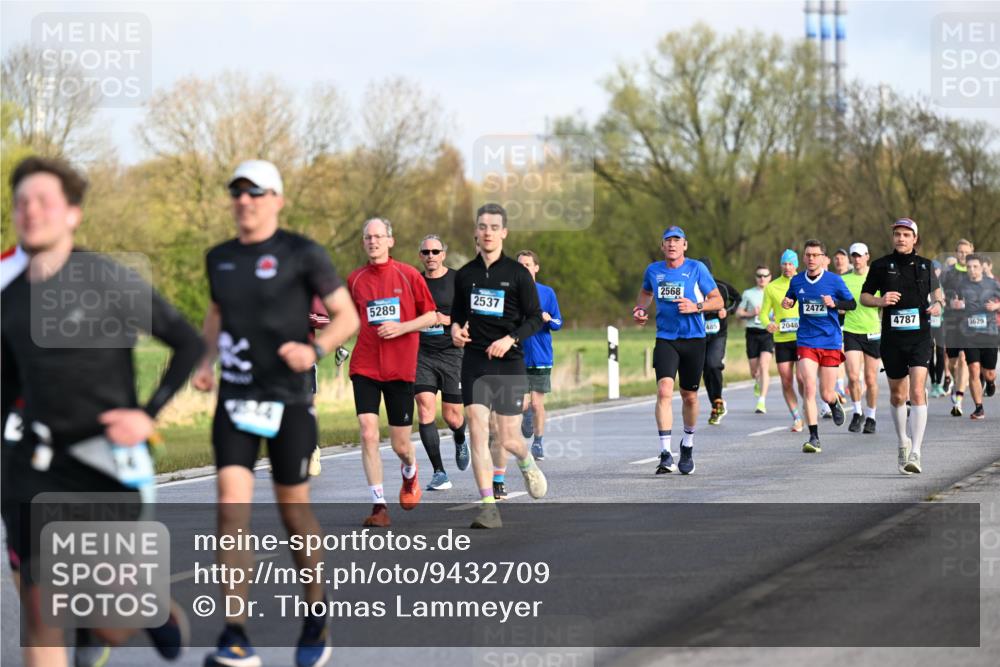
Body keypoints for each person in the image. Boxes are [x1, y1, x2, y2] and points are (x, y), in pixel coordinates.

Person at [3, 156, 204, 667]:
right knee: (41, 611)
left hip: (106, 462)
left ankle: (149, 609)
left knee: (111, 622)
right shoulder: (7, 301)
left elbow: (187, 343)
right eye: (21, 201)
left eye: (43, 200)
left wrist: (149, 414)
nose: (30, 210)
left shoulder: (107, 280)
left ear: (72, 213)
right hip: (34, 466)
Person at [193, 160, 359, 667]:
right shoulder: (218, 257)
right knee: (230, 510)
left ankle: (315, 615)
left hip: (288, 401)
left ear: (277, 199)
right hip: (236, 399)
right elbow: (218, 313)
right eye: (237, 193)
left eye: (255, 193)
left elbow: (346, 314)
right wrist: (205, 360)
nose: (245, 201)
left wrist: (316, 348)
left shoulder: (302, 253)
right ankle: (235, 632)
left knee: (293, 513)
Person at [450, 203, 548, 529]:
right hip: (475, 360)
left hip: (509, 362)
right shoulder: (465, 275)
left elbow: (535, 318)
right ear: (476, 232)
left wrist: (511, 339)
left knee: (507, 439)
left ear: (503, 232)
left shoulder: (518, 274)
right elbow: (457, 316)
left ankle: (526, 460)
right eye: (482, 227)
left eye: (494, 227)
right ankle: (488, 506)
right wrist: (455, 330)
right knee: (477, 430)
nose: (487, 232)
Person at [346, 218, 438, 525]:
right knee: (368, 432)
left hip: (400, 369)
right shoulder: (355, 280)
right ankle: (378, 505)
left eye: (378, 236)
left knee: (401, 445)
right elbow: (346, 319)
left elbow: (431, 317)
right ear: (364, 242)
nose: (373, 241)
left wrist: (402, 327)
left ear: (390, 241)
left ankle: (410, 472)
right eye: (368, 237)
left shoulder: (409, 275)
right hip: (365, 366)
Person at [633, 226, 723, 475]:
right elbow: (645, 292)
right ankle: (665, 453)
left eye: (677, 240)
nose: (672, 244)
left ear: (685, 245)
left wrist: (696, 306)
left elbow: (718, 300)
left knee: (689, 396)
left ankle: (688, 445)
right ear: (662, 246)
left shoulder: (696, 269)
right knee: (664, 391)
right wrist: (640, 310)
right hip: (666, 338)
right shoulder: (653, 270)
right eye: (667, 241)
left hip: (694, 339)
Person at [861, 218, 945, 474]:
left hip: (920, 337)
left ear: (915, 239)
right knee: (898, 395)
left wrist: (939, 304)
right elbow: (864, 297)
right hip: (892, 339)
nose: (901, 238)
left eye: (906, 234)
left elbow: (939, 294)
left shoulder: (926, 266)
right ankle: (902, 443)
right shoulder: (880, 266)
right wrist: (880, 300)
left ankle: (916, 452)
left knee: (918, 392)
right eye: (897, 234)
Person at [781, 240, 856, 453]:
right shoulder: (796, 281)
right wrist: (787, 303)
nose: (812, 259)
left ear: (823, 258)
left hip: (830, 341)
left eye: (816, 255)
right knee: (809, 386)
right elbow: (791, 299)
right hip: (806, 340)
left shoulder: (834, 281)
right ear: (803, 258)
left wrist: (835, 304)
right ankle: (814, 438)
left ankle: (833, 402)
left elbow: (852, 304)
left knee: (825, 393)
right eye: (808, 255)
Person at [414, 234, 469, 491]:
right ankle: (439, 472)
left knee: (452, 416)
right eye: (426, 252)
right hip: (422, 354)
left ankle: (460, 437)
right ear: (420, 256)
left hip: (452, 353)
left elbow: (471, 314)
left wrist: (448, 320)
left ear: (443, 254)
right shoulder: (414, 280)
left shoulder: (458, 280)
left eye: (435, 252)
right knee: (425, 408)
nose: (431, 257)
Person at [516, 250, 563, 459]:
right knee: (523, 404)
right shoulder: (511, 293)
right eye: (520, 265)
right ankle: (525, 414)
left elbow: (559, 323)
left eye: (528, 265)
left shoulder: (547, 293)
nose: (524, 269)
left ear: (536, 268)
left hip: (541, 355)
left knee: (537, 403)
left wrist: (548, 319)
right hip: (517, 355)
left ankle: (538, 442)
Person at [948, 254, 1000, 419]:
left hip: (989, 332)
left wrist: (996, 305)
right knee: (973, 369)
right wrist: (953, 304)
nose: (972, 270)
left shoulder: (992, 283)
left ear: (982, 267)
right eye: (969, 267)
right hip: (969, 333)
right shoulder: (960, 285)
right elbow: (950, 300)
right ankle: (979, 408)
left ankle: (991, 382)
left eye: (975, 267)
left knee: (989, 372)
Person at [761, 250, 806, 432]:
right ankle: (797, 417)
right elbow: (764, 313)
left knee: (802, 378)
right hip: (782, 339)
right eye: (784, 264)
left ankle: (808, 405)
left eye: (790, 264)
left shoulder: (803, 281)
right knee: (786, 381)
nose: (787, 267)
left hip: (802, 338)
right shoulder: (772, 287)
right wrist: (768, 324)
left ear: (796, 265)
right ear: (780, 265)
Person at [841, 243, 881, 434]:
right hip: (851, 331)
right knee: (853, 376)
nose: (856, 259)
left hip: (872, 331)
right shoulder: (844, 279)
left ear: (867, 256)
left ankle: (871, 416)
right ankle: (857, 412)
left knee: (871, 379)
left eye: (860, 256)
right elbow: (838, 301)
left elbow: (885, 303)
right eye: (853, 256)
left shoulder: (876, 278)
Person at [698, 257, 739, 425]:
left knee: (713, 364)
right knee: (705, 369)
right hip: (698, 334)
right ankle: (716, 403)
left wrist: (727, 311)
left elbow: (737, 298)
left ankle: (717, 402)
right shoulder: (691, 287)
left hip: (718, 334)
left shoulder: (720, 286)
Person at [943, 239, 974, 416]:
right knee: (953, 363)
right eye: (960, 252)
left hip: (969, 322)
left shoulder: (976, 272)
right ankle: (957, 383)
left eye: (966, 251)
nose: (963, 255)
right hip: (952, 321)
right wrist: (948, 301)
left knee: (963, 358)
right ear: (956, 253)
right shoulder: (949, 274)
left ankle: (959, 400)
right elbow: (939, 293)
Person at [737, 265, 774, 414]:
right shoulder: (748, 293)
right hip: (752, 333)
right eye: (759, 276)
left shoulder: (774, 291)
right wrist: (751, 313)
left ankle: (761, 401)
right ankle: (757, 381)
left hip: (767, 333)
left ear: (770, 277)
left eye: (765, 276)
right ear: (756, 278)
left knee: (764, 366)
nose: (762, 278)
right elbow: (739, 313)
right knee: (754, 371)